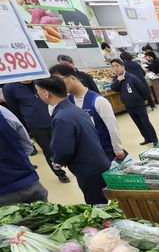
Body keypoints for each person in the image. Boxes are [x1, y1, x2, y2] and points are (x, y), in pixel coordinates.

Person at [35, 77, 110, 205]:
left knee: (98, 205)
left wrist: (58, 159)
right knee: (106, 200)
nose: (38, 94)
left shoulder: (62, 117)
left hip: (87, 170)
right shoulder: (75, 110)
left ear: (46, 93)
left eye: (38, 91)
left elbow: (63, 148)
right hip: (99, 162)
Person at [50, 64, 126, 163]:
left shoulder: (98, 100)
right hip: (85, 154)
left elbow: (112, 127)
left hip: (105, 151)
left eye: (60, 81)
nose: (58, 85)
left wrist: (118, 149)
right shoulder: (68, 102)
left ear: (72, 78)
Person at [3, 80, 70, 183]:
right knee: (48, 151)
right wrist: (28, 119)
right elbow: (14, 109)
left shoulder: (40, 81)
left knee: (67, 144)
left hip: (55, 118)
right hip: (36, 125)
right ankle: (60, 173)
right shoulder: (9, 88)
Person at [0, 108, 48, 206]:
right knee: (48, 216)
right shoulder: (3, 112)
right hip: (28, 182)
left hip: (3, 194)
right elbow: (27, 144)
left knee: (13, 221)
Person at [110, 59, 159, 145]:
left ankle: (154, 139)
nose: (115, 68)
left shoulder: (132, 77)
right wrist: (119, 80)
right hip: (128, 105)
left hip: (139, 105)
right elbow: (114, 88)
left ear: (123, 66)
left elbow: (143, 90)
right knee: (138, 123)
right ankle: (147, 138)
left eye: (117, 66)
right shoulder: (116, 78)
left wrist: (141, 100)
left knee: (145, 122)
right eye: (113, 66)